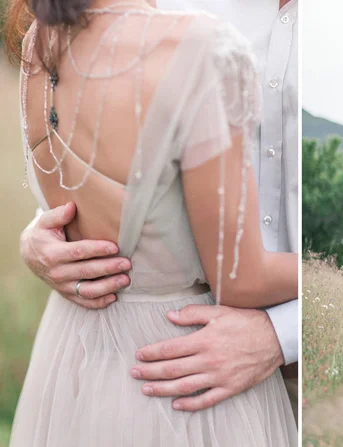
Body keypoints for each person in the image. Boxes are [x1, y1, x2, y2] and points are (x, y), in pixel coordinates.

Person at [4, 0, 297, 444]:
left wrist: (286, 332)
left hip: (77, 360)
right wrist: (36, 238)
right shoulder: (202, 42)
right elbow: (239, 280)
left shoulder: (40, 39)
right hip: (183, 365)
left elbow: (89, 178)